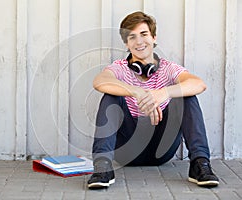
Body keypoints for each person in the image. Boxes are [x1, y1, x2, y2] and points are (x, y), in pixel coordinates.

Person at [87, 11, 219, 189]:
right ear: (126, 43)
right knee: (111, 95)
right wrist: (137, 92)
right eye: (132, 37)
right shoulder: (119, 68)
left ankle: (200, 164)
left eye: (143, 34)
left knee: (186, 96)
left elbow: (199, 84)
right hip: (126, 150)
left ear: (153, 37)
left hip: (161, 149)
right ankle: (102, 167)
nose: (139, 42)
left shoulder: (168, 68)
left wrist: (164, 93)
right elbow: (100, 81)